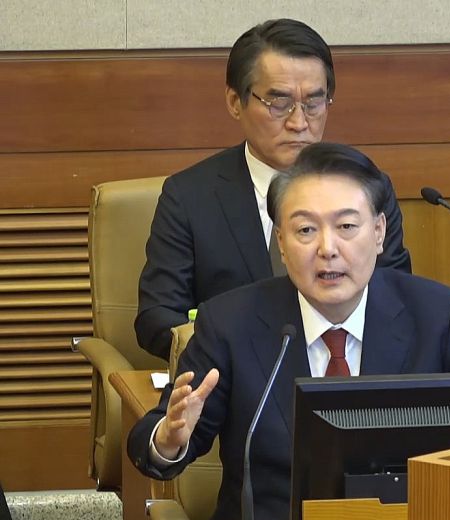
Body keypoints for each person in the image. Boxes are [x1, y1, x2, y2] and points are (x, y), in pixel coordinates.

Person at [128, 143, 450, 520]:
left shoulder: (434, 314)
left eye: (346, 226)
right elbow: (156, 443)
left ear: (379, 232)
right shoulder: (231, 321)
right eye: (306, 230)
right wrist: (167, 440)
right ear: (281, 242)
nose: (328, 249)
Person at [135, 19, 411, 360]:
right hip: (233, 379)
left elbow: (395, 300)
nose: (299, 122)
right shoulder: (189, 196)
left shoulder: (366, 189)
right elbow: (157, 317)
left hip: (342, 370)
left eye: (313, 103)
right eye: (279, 104)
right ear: (235, 102)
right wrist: (240, 355)